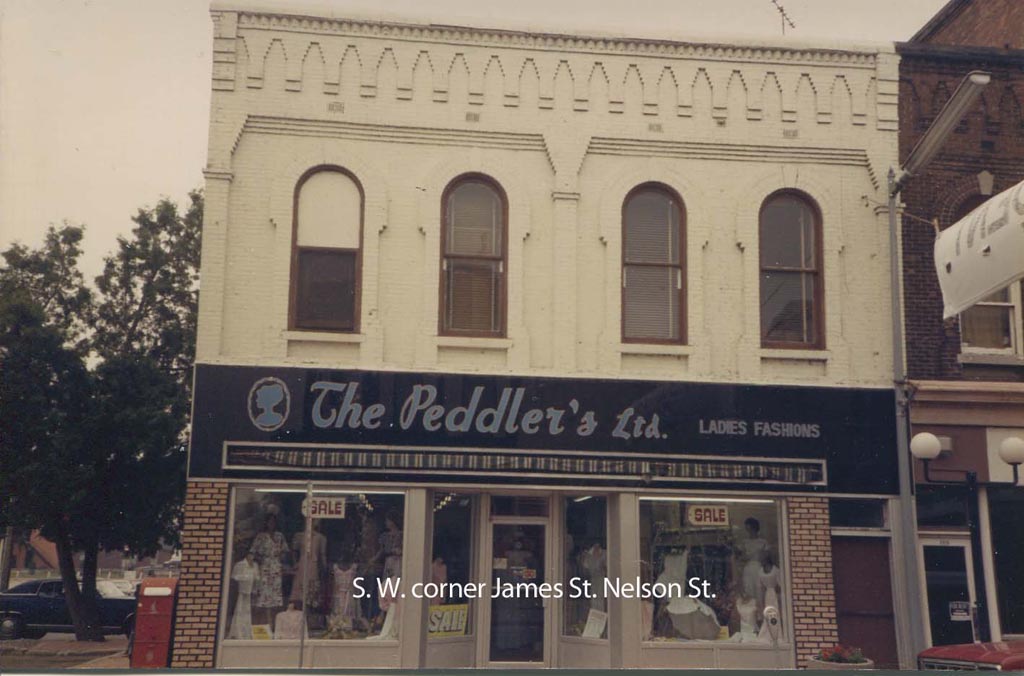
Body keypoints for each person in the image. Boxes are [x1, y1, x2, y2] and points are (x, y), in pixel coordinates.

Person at [250, 512, 288, 626]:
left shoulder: (279, 536)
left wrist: (281, 557)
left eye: (273, 522)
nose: (271, 524)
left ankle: (272, 622)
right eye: (269, 521)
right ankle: (263, 622)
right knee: (263, 593)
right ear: (266, 523)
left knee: (275, 595)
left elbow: (285, 551)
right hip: (265, 567)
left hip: (276, 566)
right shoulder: (261, 536)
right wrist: (260, 559)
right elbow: (253, 552)